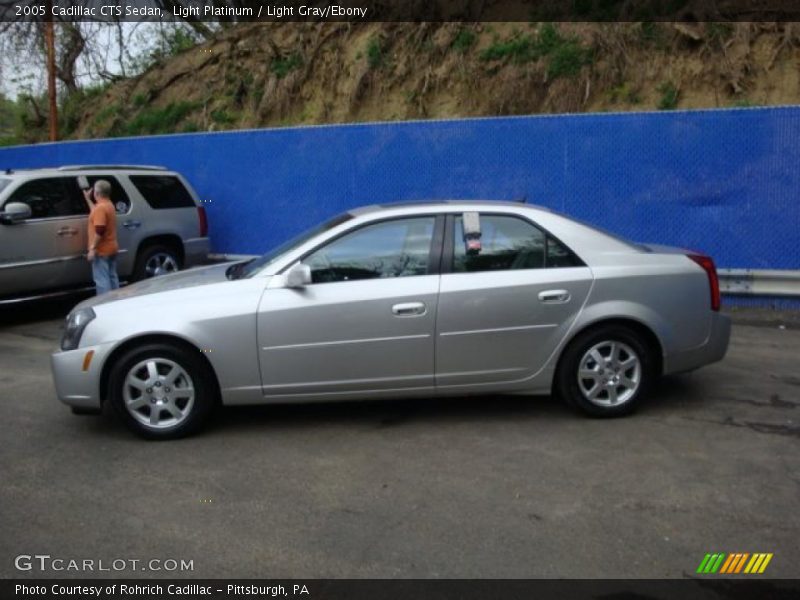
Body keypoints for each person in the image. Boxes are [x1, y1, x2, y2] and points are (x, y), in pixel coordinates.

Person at [84, 179, 120, 295]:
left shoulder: (100, 208)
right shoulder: (109, 205)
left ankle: (105, 303)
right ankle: (116, 300)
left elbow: (100, 230)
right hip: (112, 248)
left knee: (102, 281)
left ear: (97, 193)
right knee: (112, 277)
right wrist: (87, 199)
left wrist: (92, 248)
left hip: (101, 251)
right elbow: (95, 212)